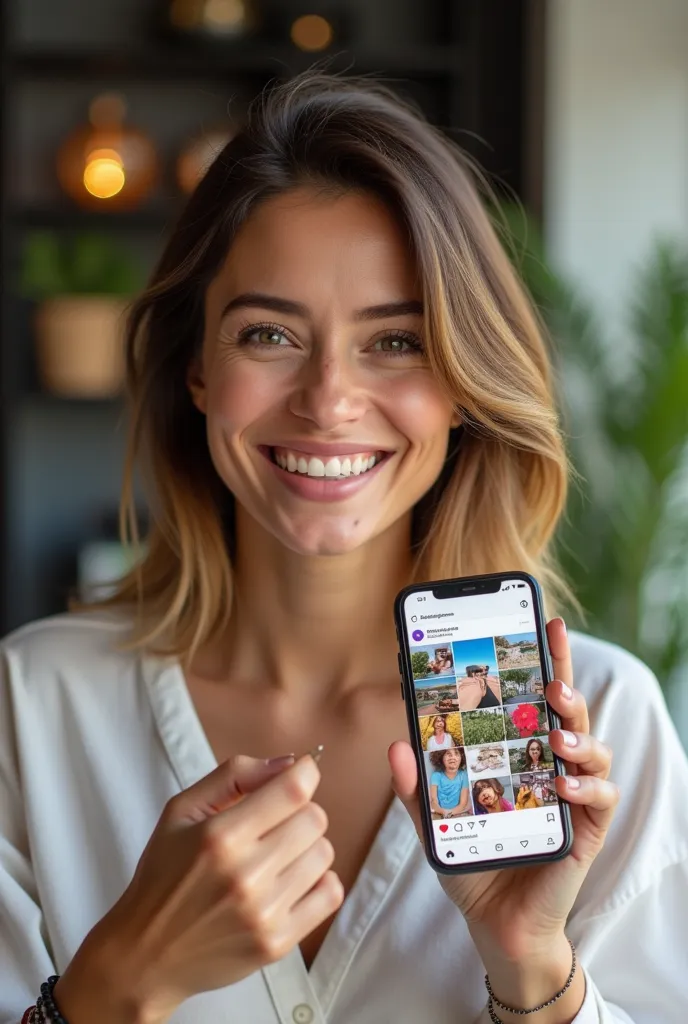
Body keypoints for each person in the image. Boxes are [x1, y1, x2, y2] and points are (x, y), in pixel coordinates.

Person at [0, 72, 687, 1024]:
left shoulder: (601, 729)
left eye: (397, 342)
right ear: (197, 368)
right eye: (270, 333)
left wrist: (537, 974)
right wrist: (119, 980)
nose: (328, 401)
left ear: (463, 386)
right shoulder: (34, 707)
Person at [428, 749, 470, 818]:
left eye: (456, 754)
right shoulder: (436, 775)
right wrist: (443, 812)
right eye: (448, 754)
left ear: (461, 757)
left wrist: (450, 813)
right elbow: (433, 801)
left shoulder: (463, 775)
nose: (452, 757)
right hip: (439, 813)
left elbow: (463, 803)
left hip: (459, 813)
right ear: (441, 757)